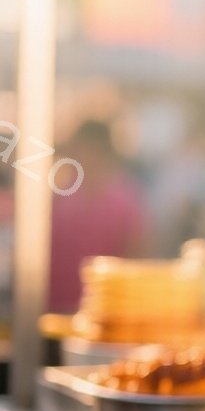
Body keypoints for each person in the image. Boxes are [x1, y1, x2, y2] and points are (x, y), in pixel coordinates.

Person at [49, 119, 148, 315]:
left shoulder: (124, 199)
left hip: (102, 313)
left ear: (106, 153)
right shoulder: (55, 192)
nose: (87, 157)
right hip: (52, 308)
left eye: (93, 150)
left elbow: (137, 255)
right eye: (82, 150)